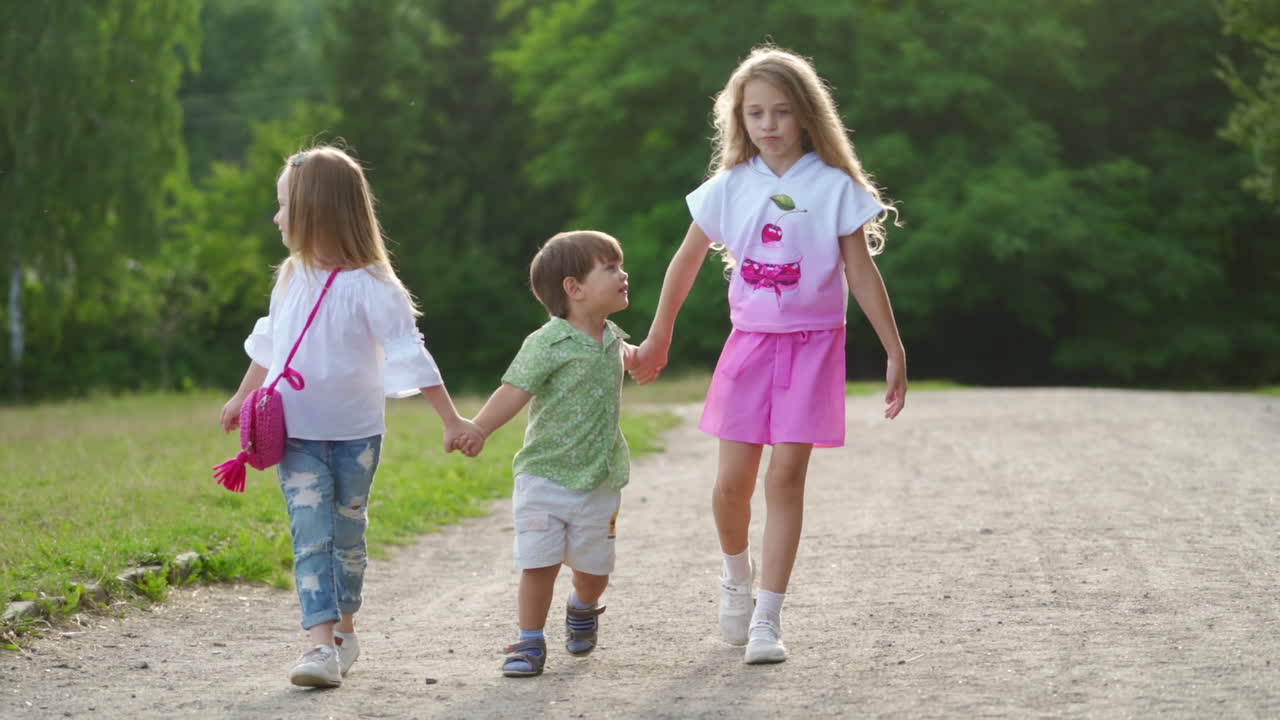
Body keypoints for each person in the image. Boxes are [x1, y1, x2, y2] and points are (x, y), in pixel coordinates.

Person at [630, 45, 908, 664]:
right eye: (755, 113)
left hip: (815, 345)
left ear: (806, 115)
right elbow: (686, 261)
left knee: (786, 476)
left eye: (781, 111)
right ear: (740, 119)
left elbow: (860, 272)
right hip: (749, 345)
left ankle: (768, 619)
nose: (769, 125)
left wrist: (894, 350)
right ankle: (736, 578)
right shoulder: (729, 187)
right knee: (732, 485)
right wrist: (659, 335)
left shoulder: (834, 187)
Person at [218, 145, 484, 687]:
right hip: (296, 435)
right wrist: (244, 395)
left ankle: (344, 632)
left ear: (318, 209)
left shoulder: (373, 287)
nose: (276, 217)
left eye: (285, 204)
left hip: (358, 436)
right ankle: (318, 648)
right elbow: (271, 343)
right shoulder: (290, 278)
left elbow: (410, 351)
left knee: (348, 536)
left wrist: (452, 420)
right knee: (310, 535)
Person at [465, 230, 635, 678]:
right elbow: (512, 390)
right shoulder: (547, 342)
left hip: (599, 478)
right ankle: (529, 641)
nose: (624, 274)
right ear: (574, 288)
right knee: (538, 563)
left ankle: (582, 606)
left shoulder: (613, 336)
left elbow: (628, 356)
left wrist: (643, 358)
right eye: (611, 268)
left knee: (595, 571)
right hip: (543, 477)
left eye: (620, 266)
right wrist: (479, 428)